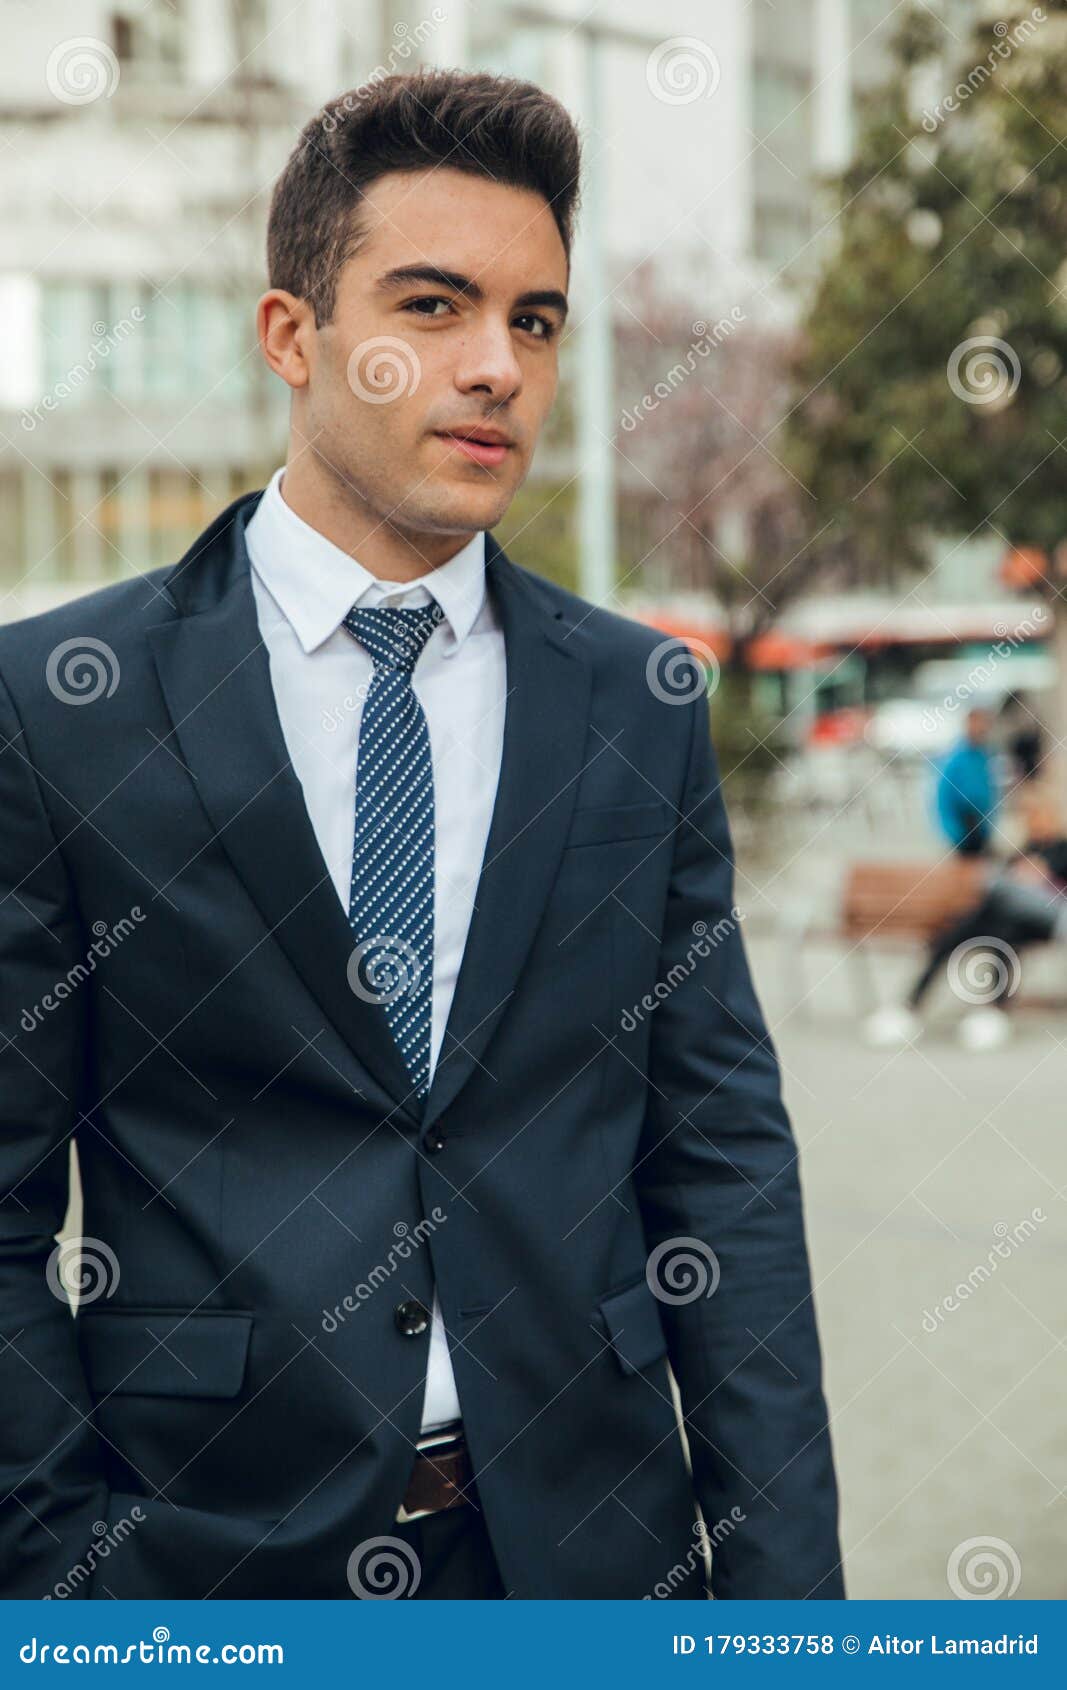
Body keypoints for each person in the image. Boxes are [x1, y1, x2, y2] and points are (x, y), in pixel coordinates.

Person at [0, 71, 842, 1601]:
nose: (496, 367)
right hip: (207, 1565)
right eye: (433, 305)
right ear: (292, 336)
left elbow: (717, 1163)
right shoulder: (66, 703)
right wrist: (68, 1583)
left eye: (532, 320)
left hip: (589, 1554)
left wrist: (786, 1599)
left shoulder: (636, 699)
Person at [866, 791, 1067, 1051]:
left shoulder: (1062, 850)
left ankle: (992, 1012)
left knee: (999, 920)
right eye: (1028, 816)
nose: (1033, 821)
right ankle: (909, 1008)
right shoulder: (1023, 850)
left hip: (1043, 923)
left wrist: (1030, 880)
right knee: (962, 936)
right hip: (1004, 924)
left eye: (1038, 815)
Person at [934, 704, 998, 855]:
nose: (981, 728)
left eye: (984, 724)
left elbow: (992, 794)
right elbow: (942, 798)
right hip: (961, 829)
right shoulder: (954, 759)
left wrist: (989, 829)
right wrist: (954, 832)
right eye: (977, 723)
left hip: (982, 829)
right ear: (968, 724)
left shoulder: (986, 757)